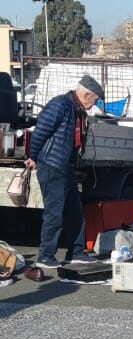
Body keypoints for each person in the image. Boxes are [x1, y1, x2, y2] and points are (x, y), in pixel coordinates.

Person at [26, 75, 104, 268]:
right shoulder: (60, 105)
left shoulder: (76, 109)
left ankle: (76, 251)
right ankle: (45, 255)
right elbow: (40, 132)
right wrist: (33, 157)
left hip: (65, 167)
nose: (93, 105)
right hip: (52, 165)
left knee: (74, 211)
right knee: (55, 212)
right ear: (86, 94)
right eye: (94, 100)